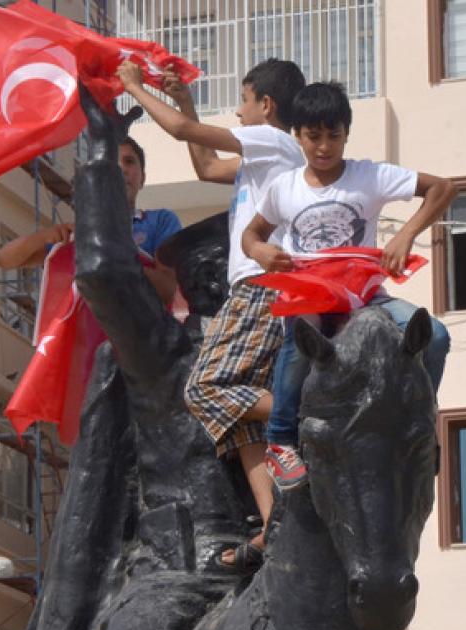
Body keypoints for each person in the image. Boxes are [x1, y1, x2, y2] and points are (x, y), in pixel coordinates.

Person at [118, 57, 306, 572]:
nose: (239, 113)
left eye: (244, 102)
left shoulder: (277, 141)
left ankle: (312, 410)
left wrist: (135, 86)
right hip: (253, 288)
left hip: (262, 288)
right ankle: (274, 523)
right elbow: (203, 166)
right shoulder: (262, 159)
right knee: (238, 420)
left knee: (206, 389)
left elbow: (182, 133)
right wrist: (183, 100)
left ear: (266, 105)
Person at [241, 81, 456, 490]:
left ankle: (419, 418)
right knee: (302, 335)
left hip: (365, 297)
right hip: (309, 295)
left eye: (333, 136)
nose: (324, 147)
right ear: (298, 136)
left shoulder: (368, 176)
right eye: (313, 137)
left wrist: (406, 234)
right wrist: (260, 252)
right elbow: (251, 235)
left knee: (436, 336)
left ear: (346, 135)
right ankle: (280, 440)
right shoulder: (283, 189)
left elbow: (443, 189)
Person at [0, 136, 181, 303]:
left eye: (129, 161)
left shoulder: (161, 221)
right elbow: (4, 259)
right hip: (90, 337)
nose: (122, 169)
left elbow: (168, 289)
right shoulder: (82, 235)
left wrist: (116, 262)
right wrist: (44, 236)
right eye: (111, 163)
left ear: (143, 179)